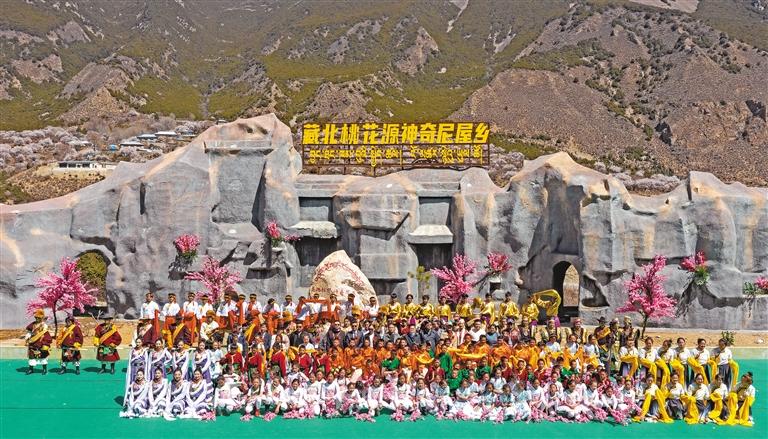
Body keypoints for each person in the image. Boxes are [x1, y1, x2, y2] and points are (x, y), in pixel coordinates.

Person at [24, 309, 52, 375]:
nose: (37, 319)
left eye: (38, 318)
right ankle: (31, 369)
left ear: (41, 318)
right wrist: (27, 338)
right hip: (33, 343)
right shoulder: (33, 324)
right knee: (31, 357)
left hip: (41, 343)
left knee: (43, 357)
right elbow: (29, 332)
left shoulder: (44, 326)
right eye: (36, 317)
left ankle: (44, 369)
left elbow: (47, 335)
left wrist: (45, 344)